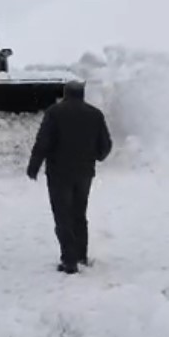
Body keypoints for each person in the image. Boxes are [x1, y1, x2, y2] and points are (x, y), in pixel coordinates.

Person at [26, 80, 113, 273]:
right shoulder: (95, 114)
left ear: (65, 93)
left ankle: (69, 260)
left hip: (58, 173)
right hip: (84, 173)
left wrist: (34, 166)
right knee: (79, 214)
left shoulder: (54, 113)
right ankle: (81, 255)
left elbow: (43, 142)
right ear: (82, 93)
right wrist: (96, 156)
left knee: (62, 215)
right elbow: (106, 146)